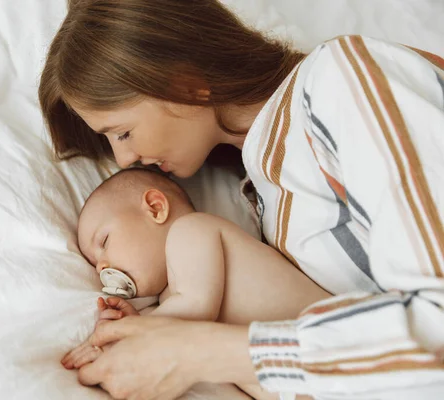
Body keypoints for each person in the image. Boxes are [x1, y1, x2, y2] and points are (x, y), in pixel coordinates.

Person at [39, 0, 444, 398]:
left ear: (182, 84)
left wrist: (195, 352)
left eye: (122, 133)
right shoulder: (264, 193)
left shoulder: (342, 78)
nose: (124, 159)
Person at [61, 168, 329, 399]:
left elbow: (198, 307)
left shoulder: (190, 230)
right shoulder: (169, 298)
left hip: (330, 343)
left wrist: (128, 332)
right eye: (95, 262)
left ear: (155, 208)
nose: (102, 267)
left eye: (105, 242)